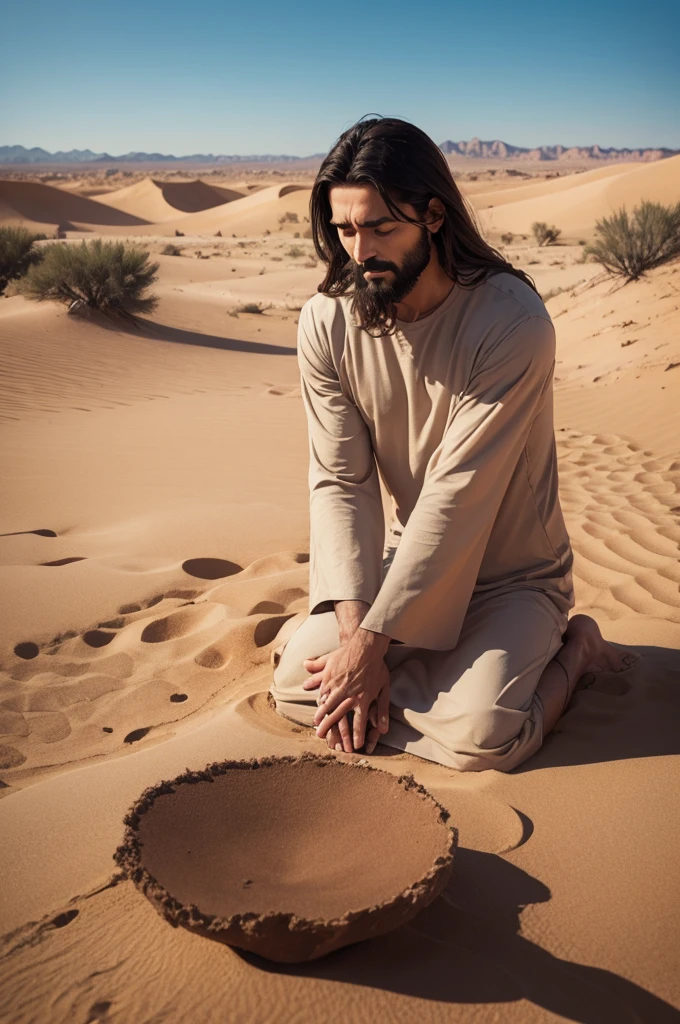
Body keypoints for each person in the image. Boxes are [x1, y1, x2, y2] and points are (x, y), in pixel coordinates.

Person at [269, 116, 635, 771]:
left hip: (511, 578)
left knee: (483, 739)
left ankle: (573, 650)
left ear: (434, 215)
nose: (361, 249)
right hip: (400, 566)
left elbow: (456, 495)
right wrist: (359, 640)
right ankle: (412, 691)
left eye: (381, 227)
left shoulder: (511, 322)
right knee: (298, 685)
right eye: (345, 229)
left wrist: (370, 654)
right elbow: (340, 482)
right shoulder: (326, 322)